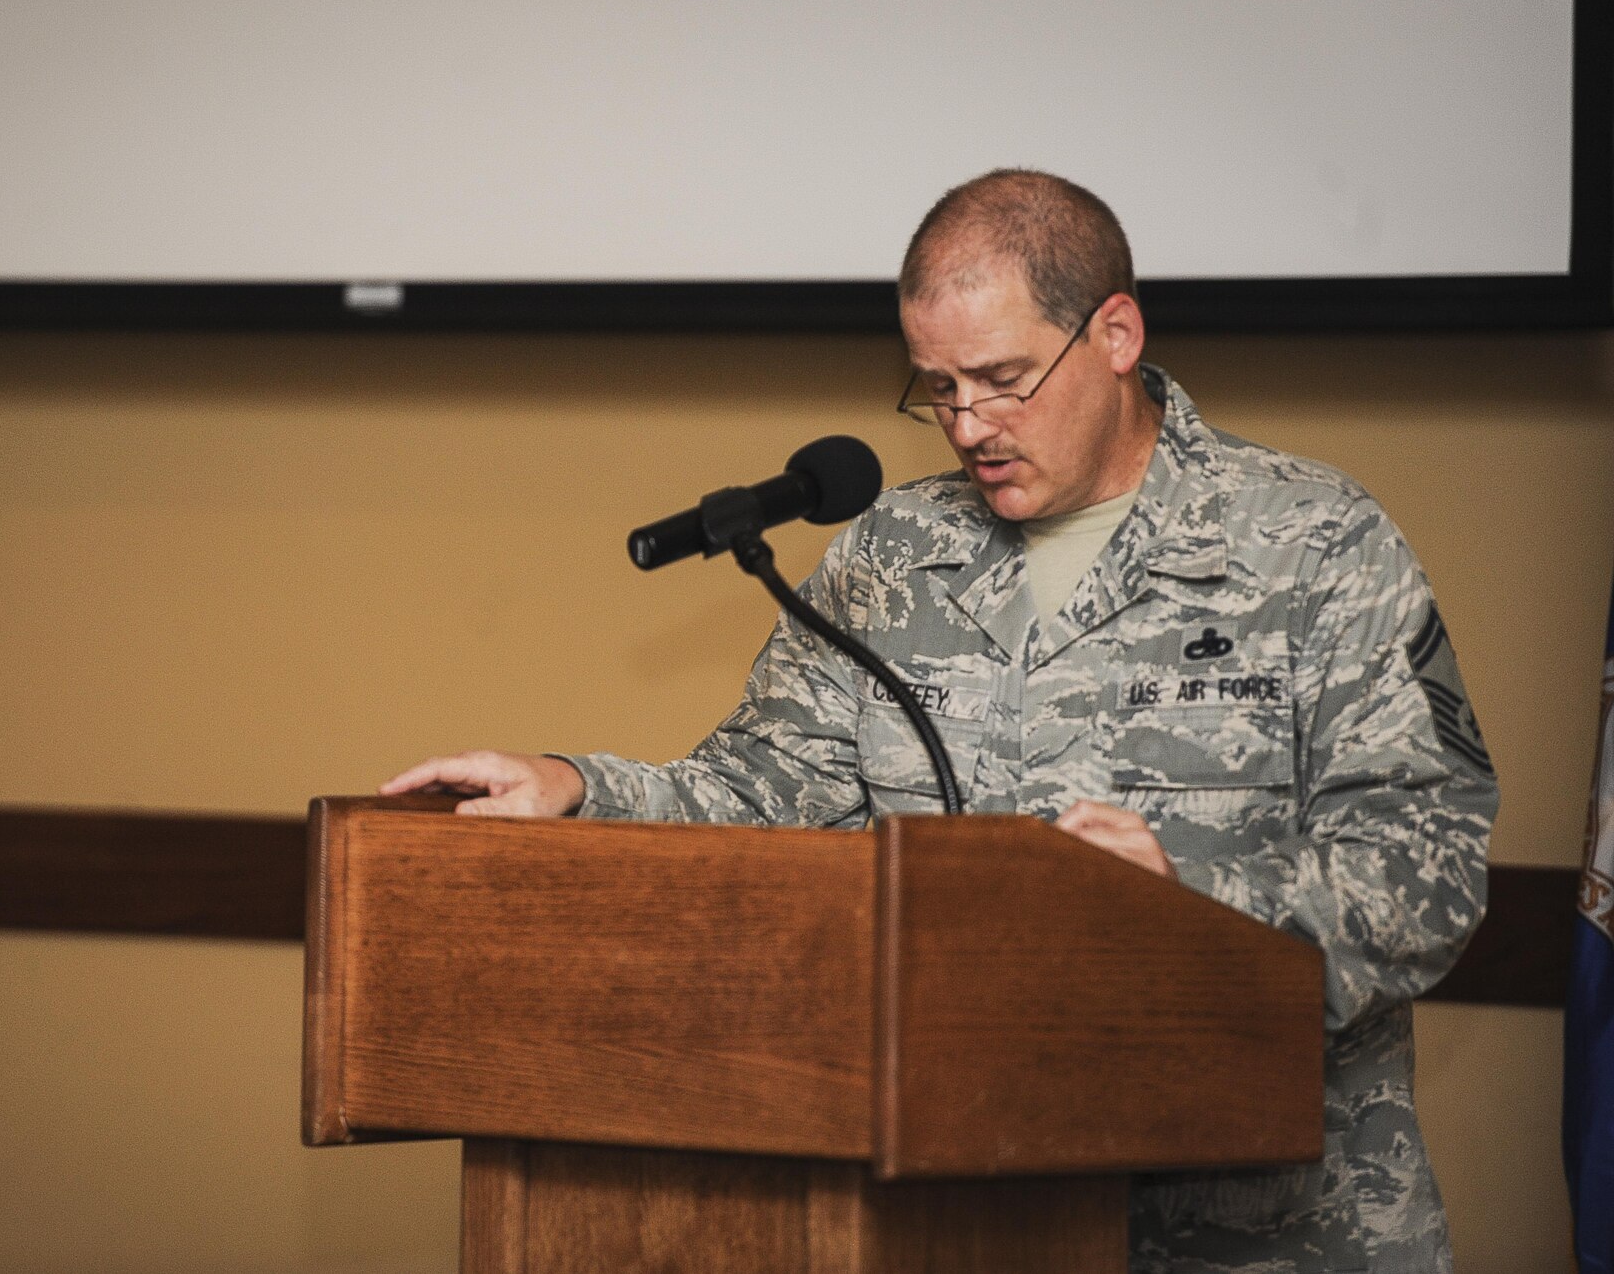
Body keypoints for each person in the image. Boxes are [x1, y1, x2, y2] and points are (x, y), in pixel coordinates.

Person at [382, 169, 1495, 1273]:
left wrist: (1183, 900)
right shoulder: (887, 555)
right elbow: (761, 795)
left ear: (1113, 333)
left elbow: (1423, 867)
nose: (968, 423)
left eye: (1002, 379)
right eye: (936, 388)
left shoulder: (1311, 544)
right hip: (952, 1222)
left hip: (1259, 1234)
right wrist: (580, 790)